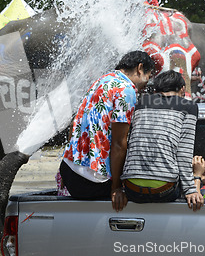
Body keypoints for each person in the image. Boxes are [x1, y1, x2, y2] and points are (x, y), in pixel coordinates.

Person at [60, 51, 154, 211]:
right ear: (140, 68)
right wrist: (116, 187)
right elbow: (119, 144)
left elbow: (74, 123)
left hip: (68, 170)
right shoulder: (127, 90)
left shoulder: (102, 80)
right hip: (91, 181)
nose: (146, 84)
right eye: (148, 76)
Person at [120, 70, 203, 211]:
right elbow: (184, 151)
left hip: (131, 188)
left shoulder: (139, 102)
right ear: (182, 89)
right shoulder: (188, 107)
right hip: (164, 190)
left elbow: (126, 142)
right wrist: (190, 189)